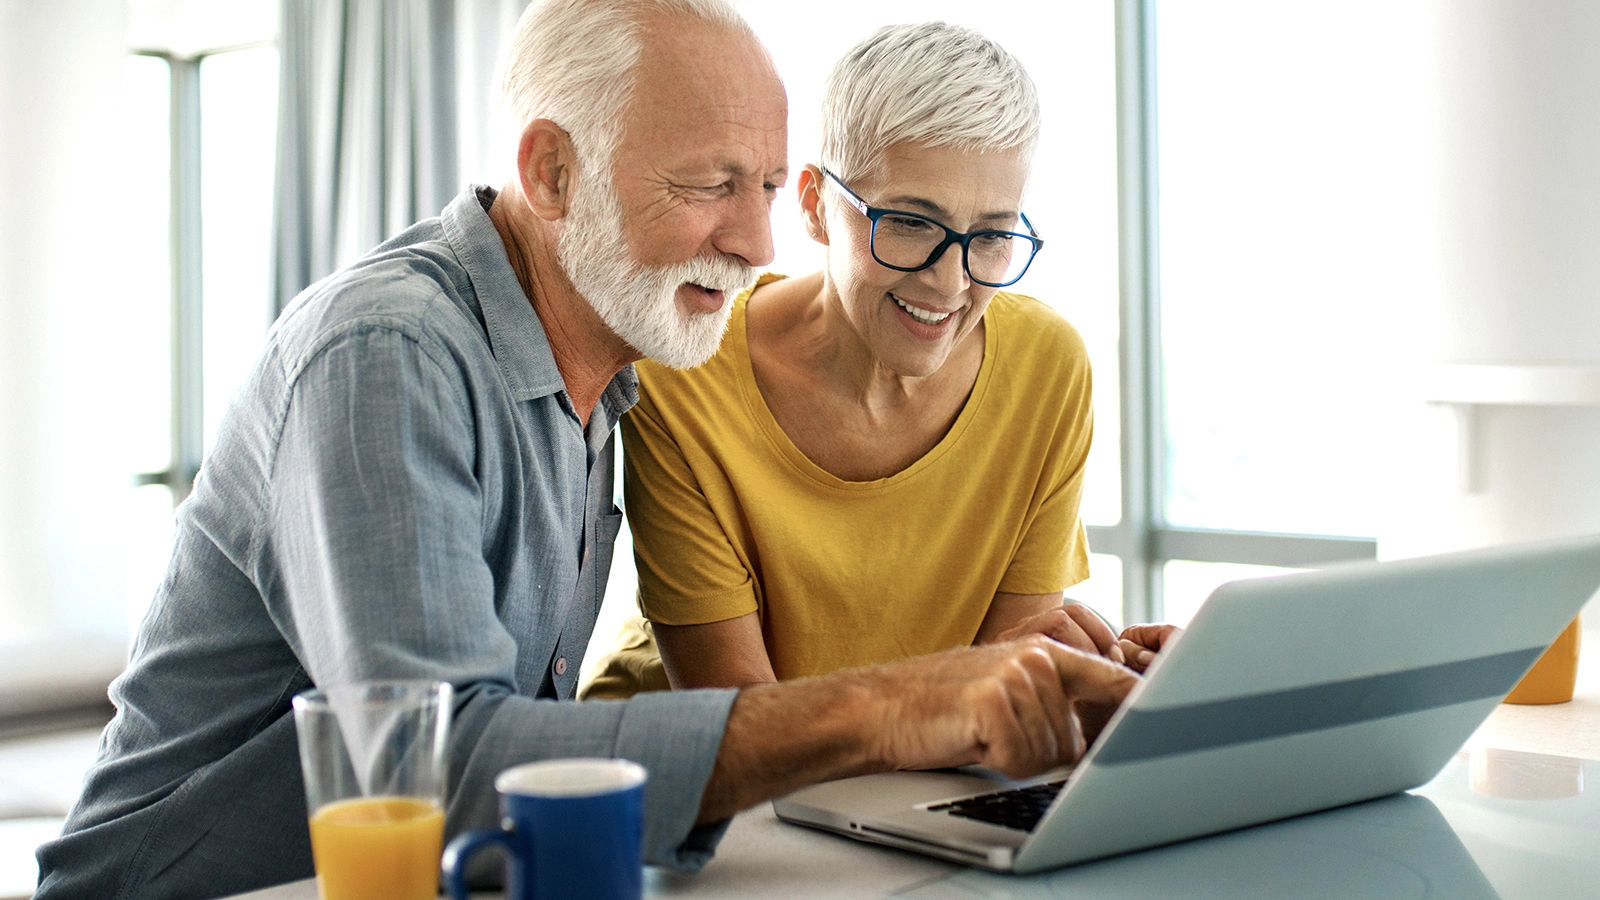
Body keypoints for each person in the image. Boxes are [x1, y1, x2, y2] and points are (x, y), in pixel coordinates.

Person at [34, 2, 1136, 898]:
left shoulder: (612, 368)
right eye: (709, 186)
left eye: (760, 190)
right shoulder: (390, 354)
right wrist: (893, 703)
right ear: (553, 174)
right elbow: (441, 770)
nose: (756, 245)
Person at [584, 22, 1175, 699]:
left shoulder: (1047, 368)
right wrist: (971, 705)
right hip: (689, 787)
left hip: (908, 787)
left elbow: (1003, 702)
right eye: (911, 222)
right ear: (813, 206)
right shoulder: (688, 367)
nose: (950, 283)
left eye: (991, 235)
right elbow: (737, 723)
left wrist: (1113, 687)